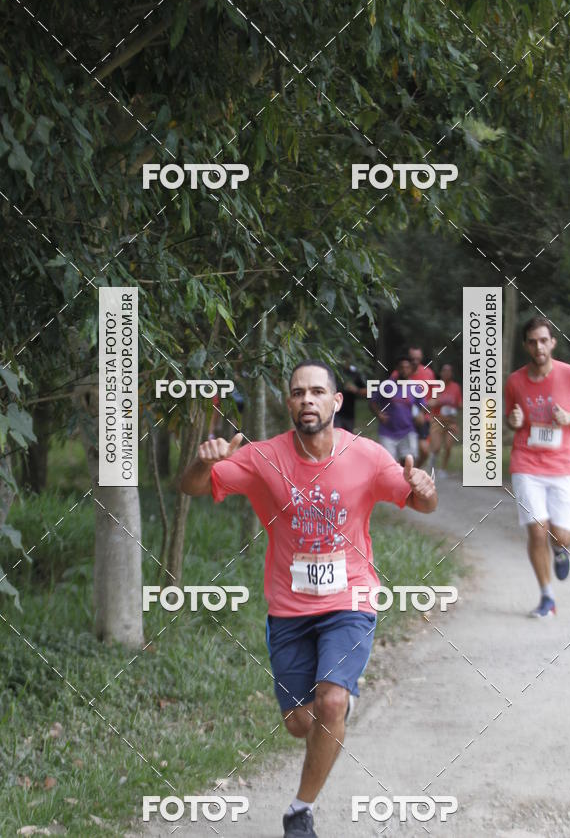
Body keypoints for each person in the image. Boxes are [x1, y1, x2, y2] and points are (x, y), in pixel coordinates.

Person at [180, 360, 437, 838]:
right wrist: (204, 460)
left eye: (318, 392)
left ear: (337, 402)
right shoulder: (262, 457)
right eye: (298, 392)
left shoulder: (367, 456)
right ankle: (332, 706)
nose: (307, 400)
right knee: (300, 723)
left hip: (350, 600)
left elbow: (421, 501)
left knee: (332, 701)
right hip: (289, 610)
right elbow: (193, 487)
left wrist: (424, 488)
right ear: (288, 401)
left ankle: (300, 810)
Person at [505, 317, 570, 618]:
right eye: (532, 341)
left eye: (543, 340)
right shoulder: (515, 381)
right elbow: (510, 417)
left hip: (563, 466)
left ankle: (561, 549)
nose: (538, 346)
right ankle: (547, 598)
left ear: (553, 343)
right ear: (526, 345)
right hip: (526, 462)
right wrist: (513, 422)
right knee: (536, 530)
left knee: (561, 535)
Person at [370, 354, 420, 464]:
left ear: (411, 369)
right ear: (397, 369)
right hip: (388, 432)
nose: (404, 370)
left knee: (408, 463)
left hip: (408, 431)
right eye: (401, 367)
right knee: (389, 465)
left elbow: (422, 405)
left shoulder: (416, 388)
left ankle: (404, 481)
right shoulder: (387, 385)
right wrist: (379, 414)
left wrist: (420, 416)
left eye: (407, 367)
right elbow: (373, 402)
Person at [429, 363, 462, 477]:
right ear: (441, 373)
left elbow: (459, 403)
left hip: (451, 421)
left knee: (448, 446)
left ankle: (443, 469)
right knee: (437, 446)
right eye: (444, 370)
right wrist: (437, 401)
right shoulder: (436, 386)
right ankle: (432, 462)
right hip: (437, 419)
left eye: (449, 371)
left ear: (451, 373)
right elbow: (429, 403)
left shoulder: (456, 387)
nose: (447, 373)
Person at [409, 346, 435, 467]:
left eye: (417, 359)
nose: (415, 361)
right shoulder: (400, 372)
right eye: (412, 359)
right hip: (404, 418)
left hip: (423, 418)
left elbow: (434, 396)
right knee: (406, 453)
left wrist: (425, 408)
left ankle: (414, 471)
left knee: (424, 451)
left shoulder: (428, 373)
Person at [334, 359, 368, 432]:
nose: (345, 362)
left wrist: (356, 390)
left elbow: (367, 391)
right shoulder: (335, 372)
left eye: (347, 359)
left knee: (348, 437)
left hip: (349, 414)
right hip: (335, 413)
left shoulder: (355, 374)